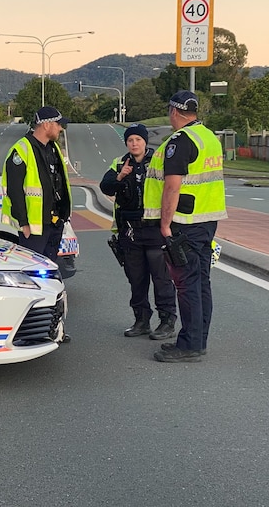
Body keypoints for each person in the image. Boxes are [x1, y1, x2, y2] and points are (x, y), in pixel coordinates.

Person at [143, 90, 227, 363]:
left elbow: (172, 186)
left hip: (185, 223)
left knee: (186, 284)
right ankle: (198, 339)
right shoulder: (209, 137)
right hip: (207, 220)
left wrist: (165, 223)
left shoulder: (180, 141)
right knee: (201, 282)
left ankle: (189, 345)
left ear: (174, 111)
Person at [100, 123, 177, 340]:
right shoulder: (119, 163)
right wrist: (119, 176)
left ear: (145, 142)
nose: (134, 144)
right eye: (130, 140)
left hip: (154, 229)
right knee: (136, 279)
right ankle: (141, 321)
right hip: (130, 231)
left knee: (161, 279)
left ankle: (167, 321)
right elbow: (105, 186)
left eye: (138, 140)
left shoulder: (159, 162)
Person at [2, 106, 72, 262]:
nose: (61, 128)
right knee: (32, 272)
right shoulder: (21, 150)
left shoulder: (53, 149)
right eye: (58, 124)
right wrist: (24, 224)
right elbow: (14, 191)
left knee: (48, 271)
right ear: (46, 125)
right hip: (34, 228)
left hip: (54, 223)